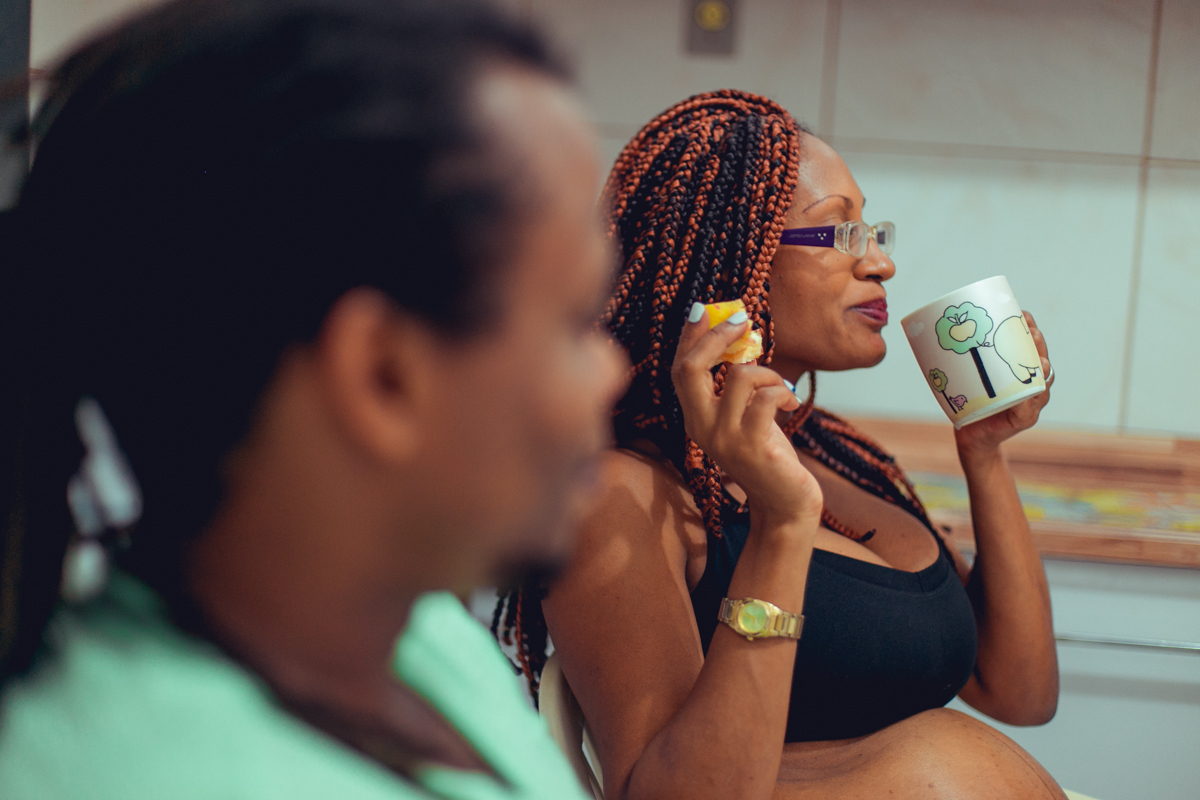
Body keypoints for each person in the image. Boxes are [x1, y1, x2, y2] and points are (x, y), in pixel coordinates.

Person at [0, 0, 625, 797]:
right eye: (573, 324)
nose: (612, 372)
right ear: (382, 375)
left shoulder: (412, 634)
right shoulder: (151, 773)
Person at [495, 90, 1065, 799]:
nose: (881, 265)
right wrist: (783, 527)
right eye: (839, 234)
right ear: (734, 257)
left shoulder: (837, 453)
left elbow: (1022, 692)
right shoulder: (620, 496)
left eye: (874, 233)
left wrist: (984, 453)